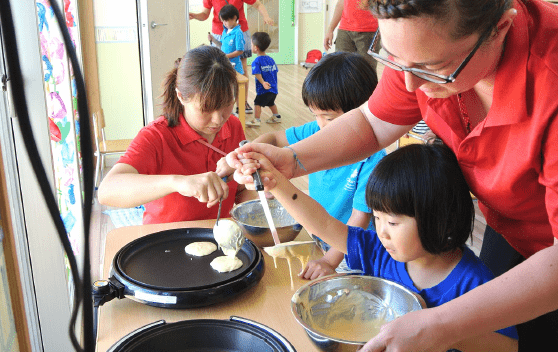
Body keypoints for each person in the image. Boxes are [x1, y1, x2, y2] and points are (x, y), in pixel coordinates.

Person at [228, 0, 558, 350]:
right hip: (508, 222)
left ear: (501, 28)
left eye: (432, 67)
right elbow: (372, 122)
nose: (409, 84)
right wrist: (292, 160)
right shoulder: (424, 47)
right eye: (394, 58)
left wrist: (444, 325)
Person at [241, 143, 518, 351]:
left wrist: (434, 324)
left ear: (440, 220)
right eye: (376, 218)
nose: (381, 231)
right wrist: (275, 183)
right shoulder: (380, 252)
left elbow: (507, 347)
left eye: (393, 223)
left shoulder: (474, 283)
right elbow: (324, 225)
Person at [252, 52, 386, 279]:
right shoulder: (316, 130)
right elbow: (274, 139)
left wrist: (328, 261)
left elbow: (358, 223)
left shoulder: (373, 160)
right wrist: (250, 153)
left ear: (361, 115)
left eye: (329, 118)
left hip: (351, 254)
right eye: (316, 115)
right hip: (320, 237)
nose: (321, 126)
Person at [97, 46, 254, 224]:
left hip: (218, 237)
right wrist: (178, 183)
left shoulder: (232, 126)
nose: (218, 120)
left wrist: (251, 211)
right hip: (166, 240)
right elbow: (107, 191)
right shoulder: (157, 136)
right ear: (180, 96)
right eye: (206, 109)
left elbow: (241, 189)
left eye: (227, 105)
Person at [190, 0, 275, 115]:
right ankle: (220, 103)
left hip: (240, 31)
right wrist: (194, 15)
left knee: (242, 70)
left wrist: (266, 16)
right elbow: (205, 14)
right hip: (219, 33)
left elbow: (257, 4)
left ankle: (242, 103)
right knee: (217, 70)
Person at [324, 0, 379, 72]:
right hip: (344, 31)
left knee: (367, 73)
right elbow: (341, 3)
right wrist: (330, 30)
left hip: (370, 32)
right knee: (341, 70)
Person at [246, 31, 281, 126]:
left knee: (257, 103)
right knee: (271, 103)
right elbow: (275, 71)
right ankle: (276, 116)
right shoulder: (271, 59)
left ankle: (256, 120)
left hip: (263, 89)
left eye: (251, 44)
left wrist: (263, 83)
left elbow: (257, 73)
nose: (251, 46)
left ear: (256, 48)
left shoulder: (256, 61)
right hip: (273, 88)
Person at [212, 5, 245, 75]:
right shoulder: (225, 31)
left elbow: (240, 51)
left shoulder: (238, 32)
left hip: (235, 67)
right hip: (225, 64)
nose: (224, 23)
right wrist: (213, 39)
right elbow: (221, 44)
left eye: (226, 20)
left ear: (234, 18)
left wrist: (226, 56)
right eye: (222, 21)